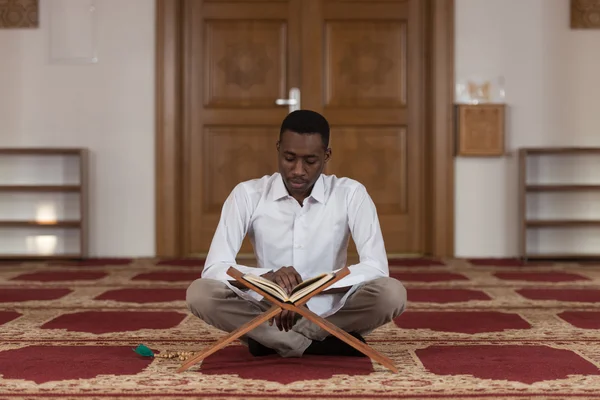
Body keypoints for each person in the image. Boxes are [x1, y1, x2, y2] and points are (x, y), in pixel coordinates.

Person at [186, 109, 407, 358]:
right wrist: (268, 278)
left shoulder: (351, 194)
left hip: (332, 309)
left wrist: (314, 287)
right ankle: (320, 344)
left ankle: (275, 340)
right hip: (268, 309)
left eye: (310, 161)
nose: (298, 170)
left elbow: (376, 267)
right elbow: (215, 268)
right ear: (278, 148)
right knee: (200, 293)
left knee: (392, 294)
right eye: (289, 158)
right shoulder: (247, 194)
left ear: (327, 155)